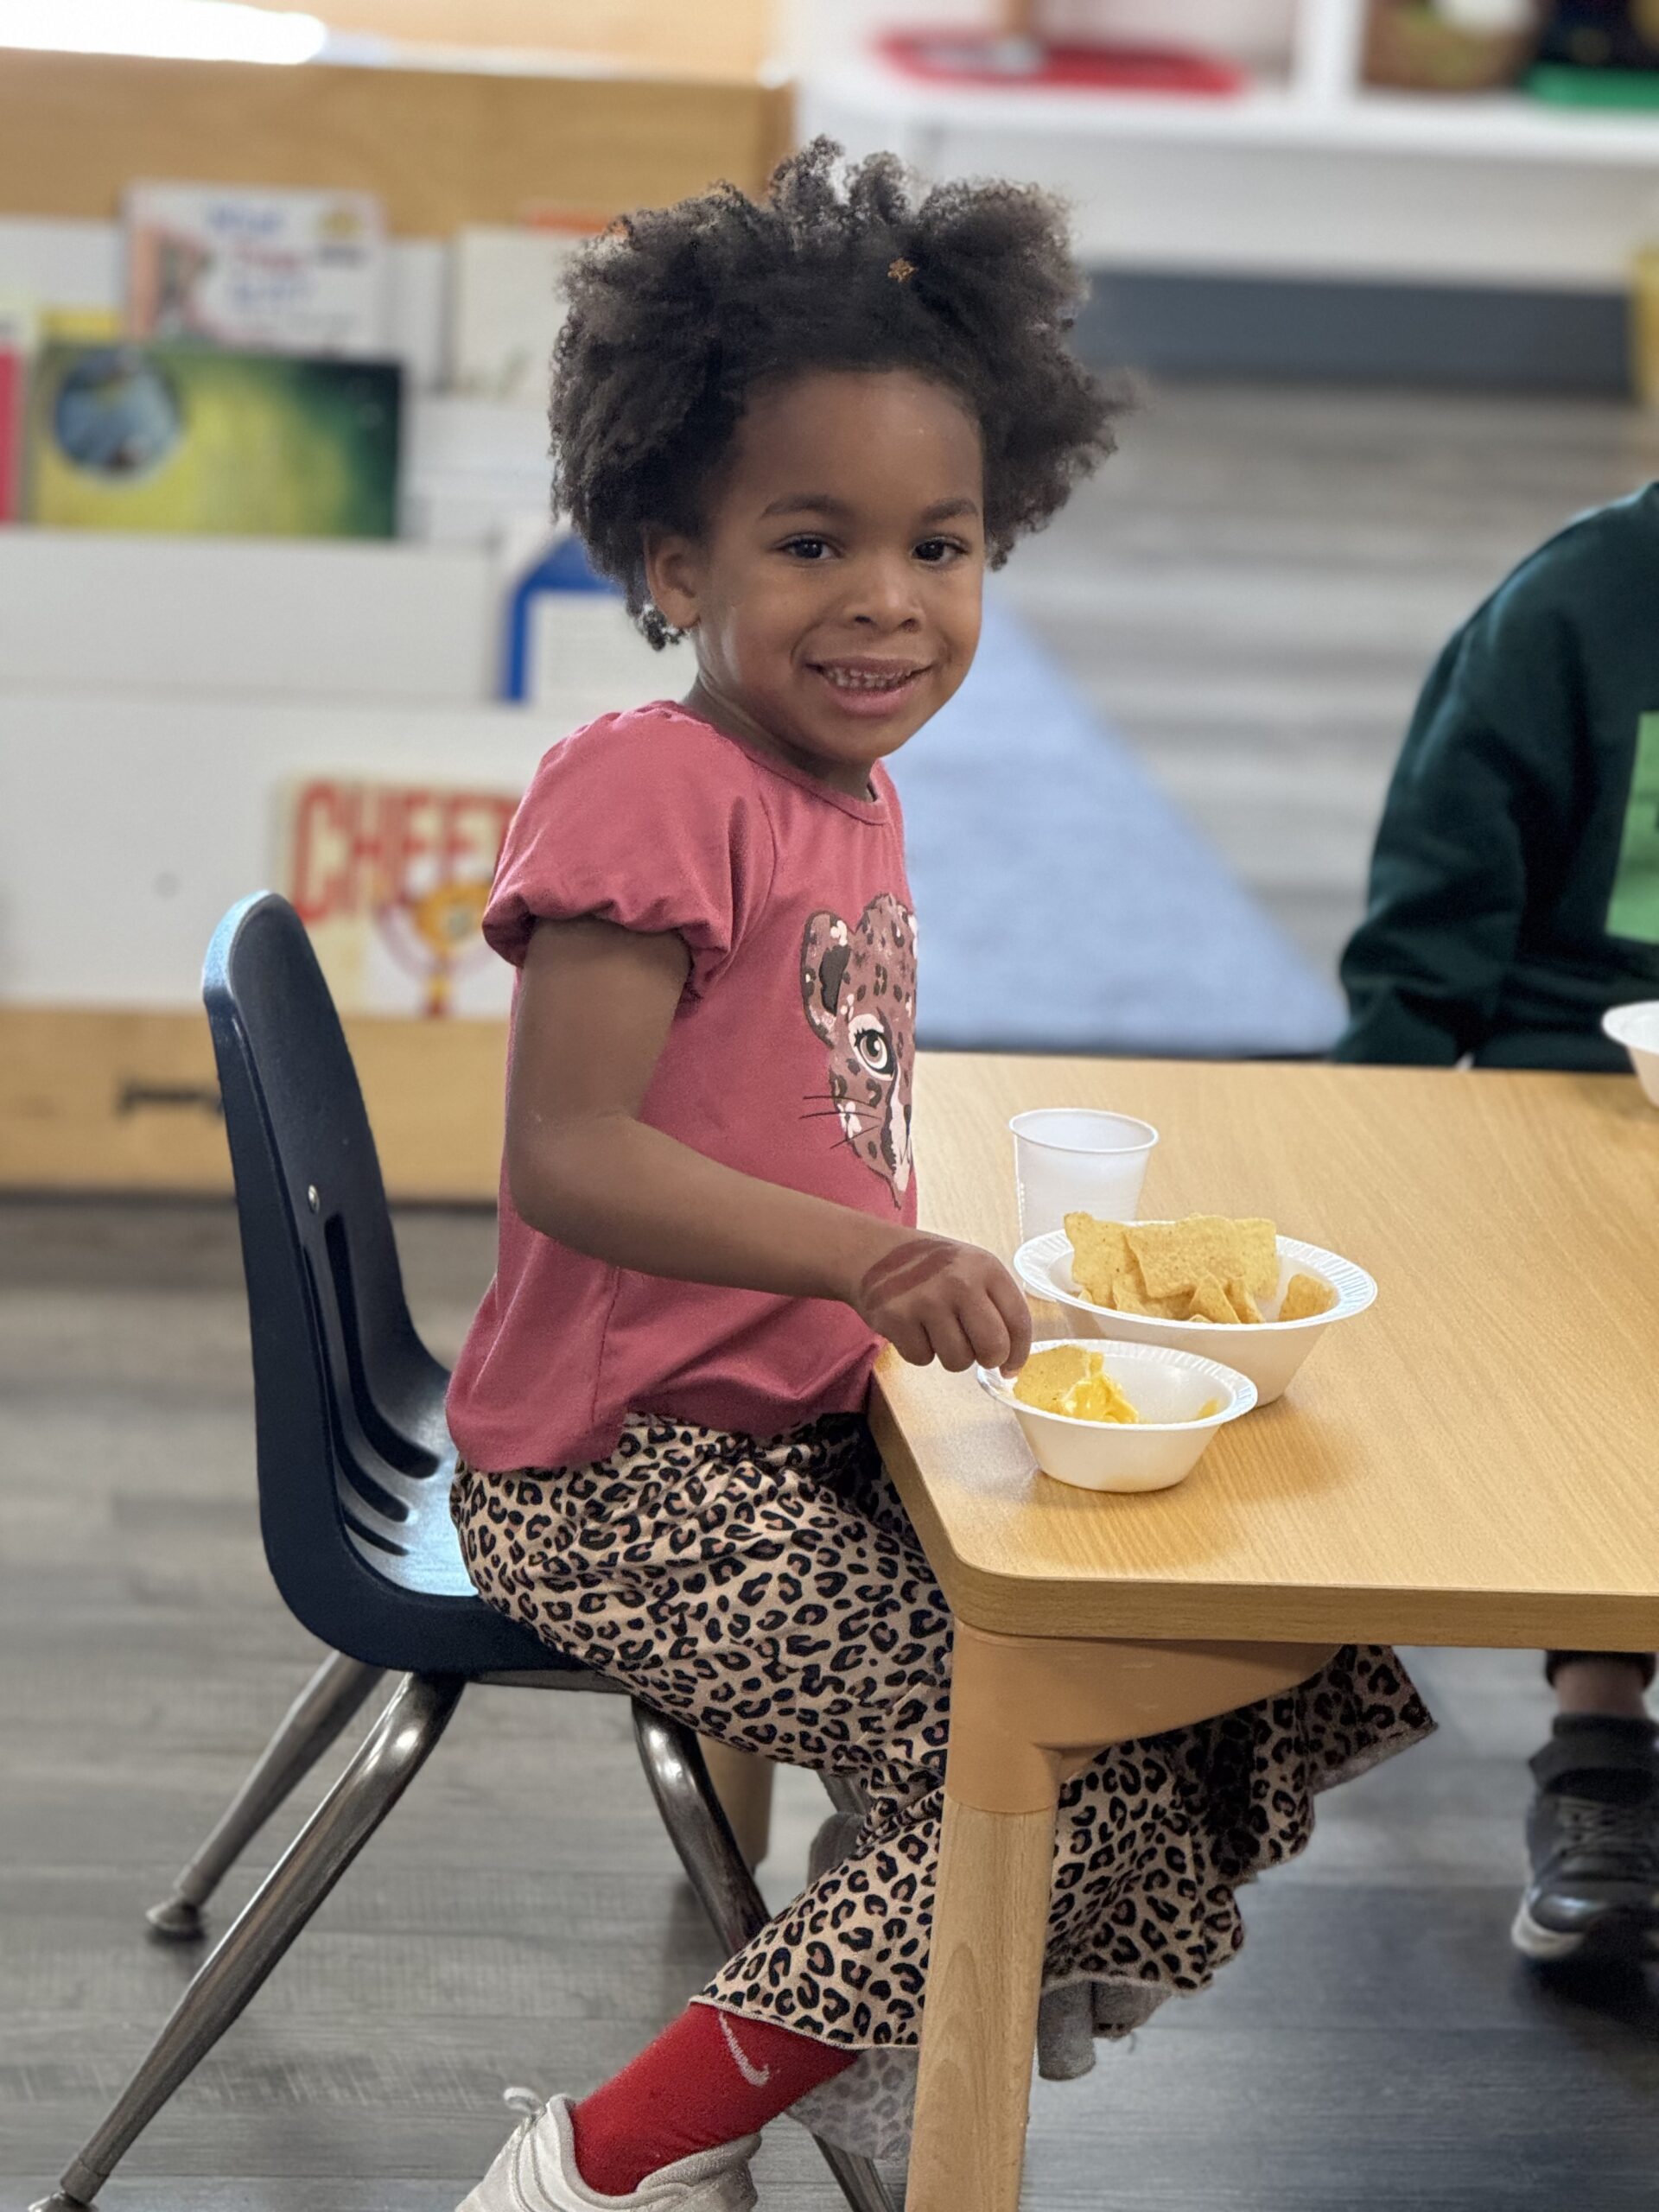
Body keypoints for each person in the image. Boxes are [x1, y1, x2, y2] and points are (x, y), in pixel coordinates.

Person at [448, 141, 1432, 2212]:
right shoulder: (649, 784)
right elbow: (570, 1152)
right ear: (673, 561)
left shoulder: (849, 782)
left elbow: (808, 1084)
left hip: (802, 1436)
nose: (888, 598)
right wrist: (875, 1256)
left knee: (1271, 1645)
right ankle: (611, 2157)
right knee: (1049, 1770)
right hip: (622, 1478)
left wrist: (910, 1260)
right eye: (812, 542)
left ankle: (919, 1996)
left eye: (943, 543)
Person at [1336, 480, 1659, 1967]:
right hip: (1578, 1094)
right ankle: (1602, 1735)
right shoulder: (1581, 603)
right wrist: (1372, 1141)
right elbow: (1432, 917)